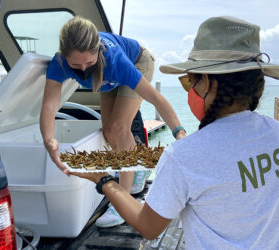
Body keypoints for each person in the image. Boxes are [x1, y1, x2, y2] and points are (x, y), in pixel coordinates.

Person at [72, 16, 279, 249]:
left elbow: (147, 226)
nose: (189, 89)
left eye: (189, 81)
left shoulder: (185, 155)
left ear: (208, 82)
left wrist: (104, 180)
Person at [39, 16, 186, 228]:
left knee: (119, 127)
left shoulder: (115, 60)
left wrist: (179, 132)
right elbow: (50, 106)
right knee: (108, 131)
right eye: (75, 65)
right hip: (107, 79)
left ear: (98, 49)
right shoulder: (59, 63)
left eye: (88, 63)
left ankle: (123, 202)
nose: (82, 70)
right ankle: (138, 169)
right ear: (64, 57)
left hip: (138, 61)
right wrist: (49, 138)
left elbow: (155, 98)